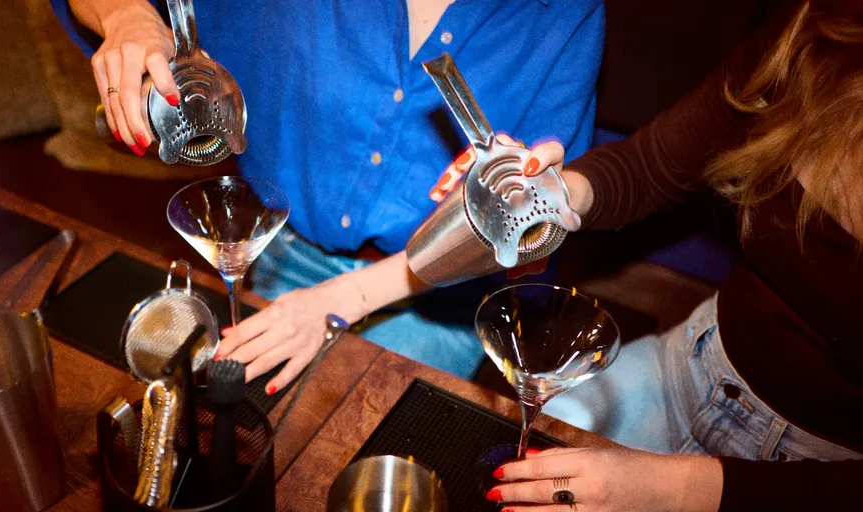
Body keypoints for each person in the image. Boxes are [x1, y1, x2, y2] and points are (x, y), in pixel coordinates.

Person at [434, 0, 863, 509]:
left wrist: (676, 489)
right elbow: (651, 166)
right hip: (691, 365)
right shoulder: (820, 32)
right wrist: (551, 196)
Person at [52, 0, 605, 389]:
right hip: (281, 246)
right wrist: (128, 14)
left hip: (436, 300)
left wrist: (343, 299)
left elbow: (534, 239)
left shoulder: (567, 14)